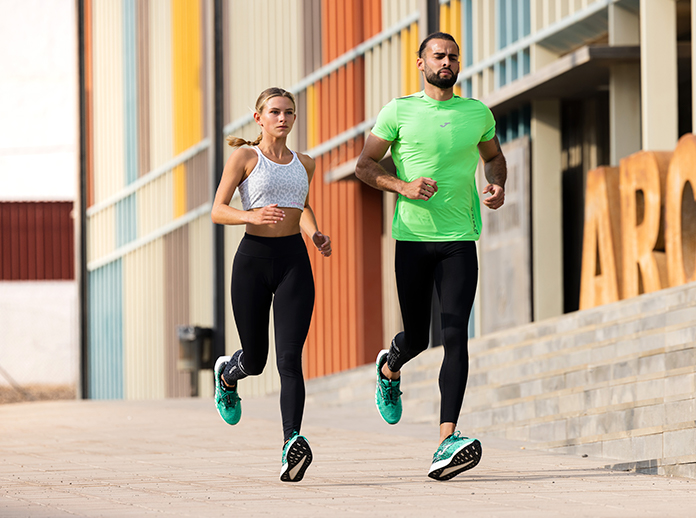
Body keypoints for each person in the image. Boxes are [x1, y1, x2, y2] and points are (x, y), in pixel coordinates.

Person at [355, 32, 507, 481]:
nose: (446, 62)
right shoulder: (398, 111)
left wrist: (497, 183)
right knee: (418, 338)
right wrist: (402, 186)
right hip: (413, 240)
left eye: (453, 56)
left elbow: (494, 157)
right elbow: (365, 165)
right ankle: (390, 366)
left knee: (456, 333)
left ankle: (445, 441)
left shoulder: (476, 113)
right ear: (420, 62)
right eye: (438, 56)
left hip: (460, 238)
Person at [211, 87, 331, 483]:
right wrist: (253, 216)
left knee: (289, 360)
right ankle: (229, 374)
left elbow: (302, 205)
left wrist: (314, 234)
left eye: (289, 113)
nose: (283, 118)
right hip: (253, 263)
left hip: (294, 262)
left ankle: (290, 443)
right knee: (257, 360)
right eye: (275, 112)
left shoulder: (306, 162)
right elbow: (217, 210)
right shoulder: (245, 157)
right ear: (260, 118)